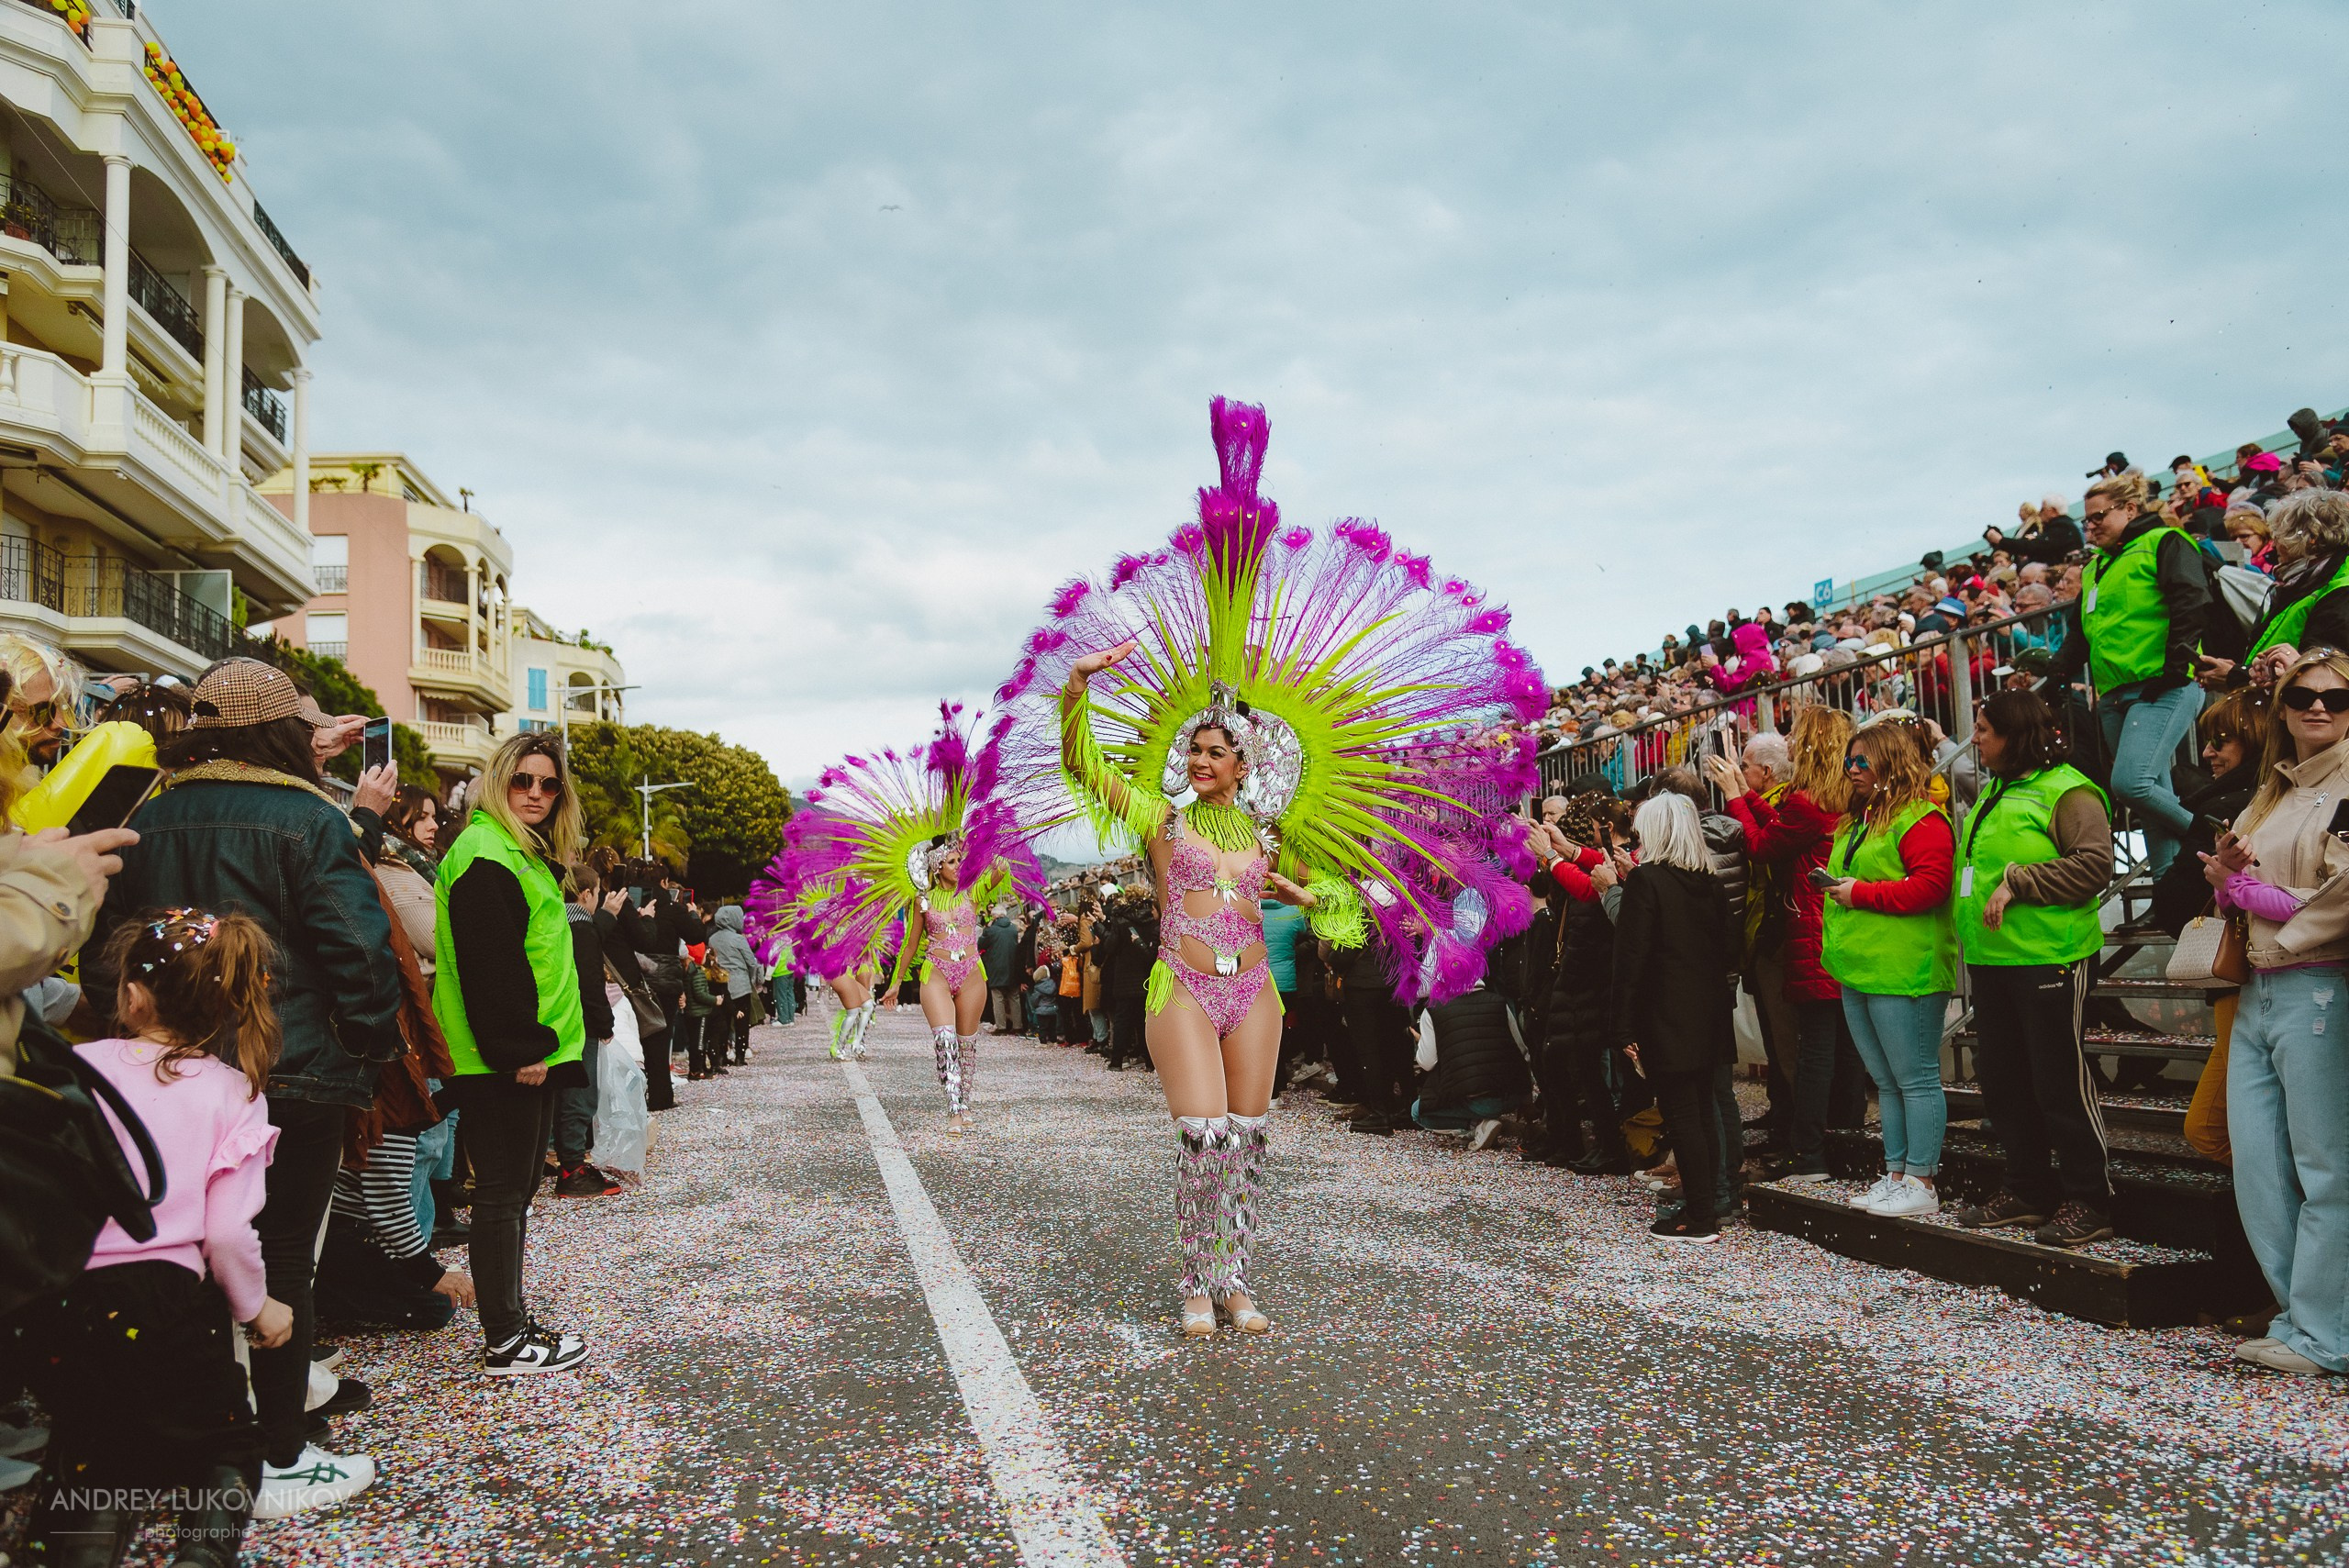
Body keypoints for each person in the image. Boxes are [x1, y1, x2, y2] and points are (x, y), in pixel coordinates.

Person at [1008, 399, 1538, 1338]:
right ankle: (1192, 1278)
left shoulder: (1265, 835)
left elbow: (1310, 898)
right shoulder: (1162, 819)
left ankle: (1236, 1281)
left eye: (1215, 751)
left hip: (1253, 985)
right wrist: (1081, 688)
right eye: (1194, 749)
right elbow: (1085, 764)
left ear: (1245, 763)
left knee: (1249, 1142)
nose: (1199, 759)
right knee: (1201, 1137)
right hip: (1180, 982)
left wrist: (1333, 904)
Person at [90, 658, 405, 1509]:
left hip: (159, 1072)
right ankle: (279, 1454)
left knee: (186, 1255)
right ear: (282, 734)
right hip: (290, 1070)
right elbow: (360, 952)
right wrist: (361, 1051)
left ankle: (206, 1447)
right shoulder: (308, 818)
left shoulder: (149, 815)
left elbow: (103, 949)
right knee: (282, 1260)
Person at [17, 911, 321, 1562]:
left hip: (63, 1296)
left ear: (130, 995)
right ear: (224, 1006)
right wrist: (257, 1306)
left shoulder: (74, 1066)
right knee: (228, 1448)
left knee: (92, 1453)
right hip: (169, 1301)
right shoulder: (231, 1090)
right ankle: (201, 1556)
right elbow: (228, 1231)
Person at [2202, 648, 2349, 1376]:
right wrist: (2228, 880)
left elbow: (2338, 898)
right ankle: (2306, 1319)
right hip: (2258, 985)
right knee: (2257, 1167)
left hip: (2318, 982)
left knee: (2324, 1165)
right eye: (2305, 696)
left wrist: (2252, 892)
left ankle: (2324, 1332)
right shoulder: (2272, 789)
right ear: (2284, 706)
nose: (2320, 707)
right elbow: (2245, 886)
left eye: (2338, 696)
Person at [430, 731, 592, 1375]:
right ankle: (503, 1338)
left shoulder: (517, 852)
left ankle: (512, 1323)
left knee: (517, 1189)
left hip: (529, 1055)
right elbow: (490, 966)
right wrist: (519, 1048)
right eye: (523, 780)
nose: (535, 793)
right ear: (500, 781)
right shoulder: (484, 852)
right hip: (503, 1059)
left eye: (548, 783)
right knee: (502, 1192)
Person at [1947, 690, 2119, 1246]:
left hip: (2052, 958)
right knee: (2004, 1082)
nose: (1976, 739)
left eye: (1984, 730)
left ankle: (2089, 1199)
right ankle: (2026, 1190)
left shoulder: (2068, 791)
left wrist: (2021, 881)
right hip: (1994, 960)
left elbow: (2094, 866)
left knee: (2058, 1083)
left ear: (2016, 735)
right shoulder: (1999, 787)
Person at [2031, 472, 2210, 874]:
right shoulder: (2096, 568)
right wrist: (2057, 678)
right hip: (2114, 695)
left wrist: (2175, 669)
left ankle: (2211, 834)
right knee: (2152, 792)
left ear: (2131, 509)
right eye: (2086, 520)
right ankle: (2170, 891)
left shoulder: (2164, 542)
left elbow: (2190, 601)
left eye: (2098, 517)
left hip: (2160, 687)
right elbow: (2080, 635)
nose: (2090, 526)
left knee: (2132, 784)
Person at [1820, 716, 1956, 1218]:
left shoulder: (1921, 818)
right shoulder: (1861, 819)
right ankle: (1896, 1172)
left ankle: (1922, 1180)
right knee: (1886, 1079)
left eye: (1862, 760)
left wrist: (1859, 892)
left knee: (1914, 1078)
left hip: (1905, 969)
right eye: (1848, 760)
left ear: (1891, 763)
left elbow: (1931, 886)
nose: (1851, 769)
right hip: (1860, 964)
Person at [1610, 793, 1736, 1242]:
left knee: (1684, 1114)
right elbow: (1727, 950)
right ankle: (1708, 1205)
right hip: (1709, 1011)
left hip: (1666, 1013)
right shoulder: (1711, 883)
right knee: (1704, 1111)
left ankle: (1701, 1215)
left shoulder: (1648, 881)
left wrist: (1622, 1025)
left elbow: (1631, 959)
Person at [2225, 490, 2349, 689]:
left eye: (2280, 535)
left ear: (2312, 538)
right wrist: (2246, 671)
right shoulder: (2308, 580)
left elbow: (2323, 673)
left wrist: (2238, 675)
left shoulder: (2341, 589)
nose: (2275, 545)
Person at [551, 872, 622, 1196]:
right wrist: (604, 1023)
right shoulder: (581, 928)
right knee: (580, 1095)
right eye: (595, 893)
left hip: (555, 1019)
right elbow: (590, 983)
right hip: (581, 1023)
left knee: (558, 1094)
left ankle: (560, 1159)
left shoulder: (552, 922)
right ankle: (573, 1168)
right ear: (585, 894)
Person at [1408, 985, 1531, 1147]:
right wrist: (1527, 1097)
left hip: (1473, 1099)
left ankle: (1476, 1125)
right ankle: (1484, 1122)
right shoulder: (1499, 1002)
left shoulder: (1433, 1010)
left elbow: (1427, 1063)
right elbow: (1522, 1051)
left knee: (1418, 1112)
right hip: (1509, 1097)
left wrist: (1421, 1042)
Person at [707, 904, 760, 1066]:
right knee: (742, 1023)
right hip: (740, 985)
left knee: (722, 1022)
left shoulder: (712, 938)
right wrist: (751, 979)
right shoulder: (738, 939)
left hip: (720, 984)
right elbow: (751, 962)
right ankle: (740, 1056)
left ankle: (722, 1054)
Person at [979, 905, 1021, 1032]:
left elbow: (981, 943)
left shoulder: (991, 930)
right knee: (1014, 996)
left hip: (996, 967)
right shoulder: (1013, 929)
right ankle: (1017, 1025)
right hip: (1012, 965)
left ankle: (1001, 1026)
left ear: (994, 916)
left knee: (998, 997)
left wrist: (987, 928)